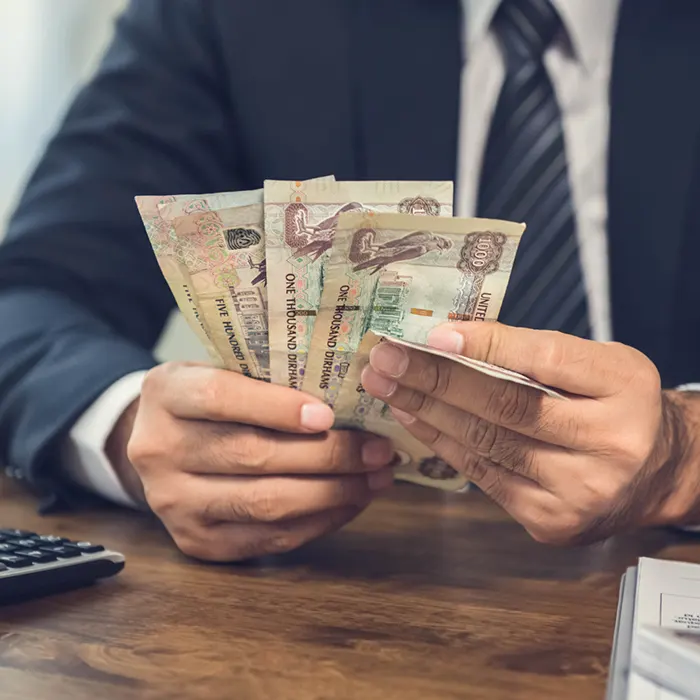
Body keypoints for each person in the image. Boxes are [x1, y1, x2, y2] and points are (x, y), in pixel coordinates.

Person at [2, 0, 700, 561]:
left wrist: (686, 458)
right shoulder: (237, 16)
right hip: (348, 575)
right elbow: (28, 300)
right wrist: (130, 427)